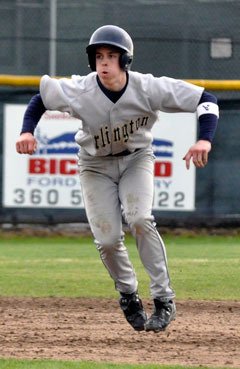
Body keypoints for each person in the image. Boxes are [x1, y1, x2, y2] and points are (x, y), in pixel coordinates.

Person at [16, 25, 219, 333]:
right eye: (99, 56)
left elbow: (206, 98)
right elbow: (40, 99)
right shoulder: (81, 89)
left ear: (126, 60)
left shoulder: (148, 88)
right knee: (108, 239)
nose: (105, 63)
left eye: (112, 56)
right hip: (94, 165)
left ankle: (164, 299)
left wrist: (204, 139)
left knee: (139, 219)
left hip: (136, 159)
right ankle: (129, 295)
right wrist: (27, 131)